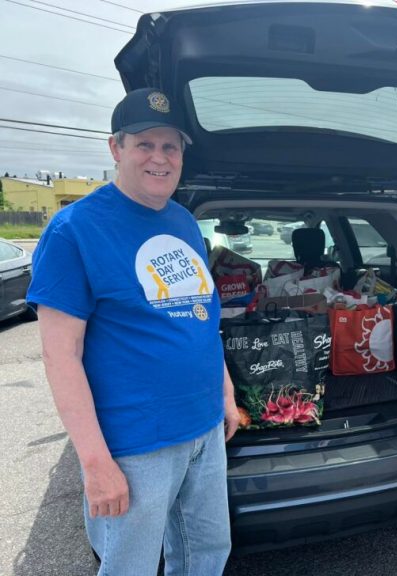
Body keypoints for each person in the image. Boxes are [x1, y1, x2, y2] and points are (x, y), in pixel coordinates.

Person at [27, 88, 240, 576]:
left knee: (207, 553)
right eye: (145, 144)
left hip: (204, 429)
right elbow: (61, 356)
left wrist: (224, 392)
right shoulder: (74, 231)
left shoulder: (184, 221)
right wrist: (96, 464)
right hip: (134, 443)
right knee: (131, 567)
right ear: (115, 149)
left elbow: (200, 317)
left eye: (171, 147)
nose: (160, 158)